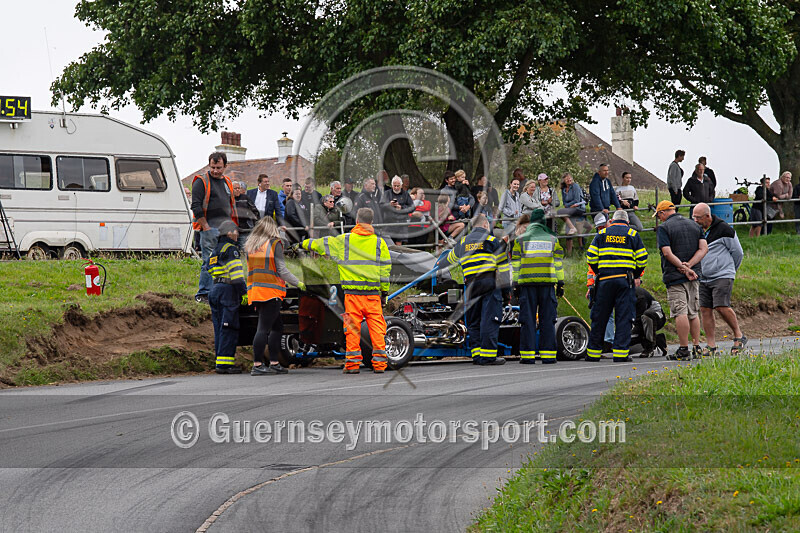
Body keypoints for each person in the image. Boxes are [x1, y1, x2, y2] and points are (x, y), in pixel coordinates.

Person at [301, 207, 391, 374]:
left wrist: (302, 244)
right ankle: (379, 365)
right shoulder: (379, 243)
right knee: (377, 330)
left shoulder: (344, 240)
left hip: (352, 296)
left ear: (357, 221)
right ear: (371, 222)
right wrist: (384, 292)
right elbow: (385, 271)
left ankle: (352, 365)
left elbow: (320, 244)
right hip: (372, 295)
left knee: (352, 330)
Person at [445, 214, 511, 365]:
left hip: (471, 286)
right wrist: (507, 292)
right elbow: (504, 269)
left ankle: (477, 355)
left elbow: (449, 260)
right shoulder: (492, 241)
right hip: (489, 283)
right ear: (485, 225)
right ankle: (488, 357)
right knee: (489, 319)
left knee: (473, 320)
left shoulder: (462, 242)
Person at [585, 209, 648, 362]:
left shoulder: (601, 234)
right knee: (623, 317)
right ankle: (620, 354)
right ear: (628, 222)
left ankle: (593, 354)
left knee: (600, 317)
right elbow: (642, 258)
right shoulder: (632, 234)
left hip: (604, 281)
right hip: (624, 282)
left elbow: (591, 257)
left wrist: (599, 271)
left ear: (612, 221)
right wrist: (636, 274)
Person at [245, 217, 305, 375]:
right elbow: (282, 270)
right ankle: (258, 365)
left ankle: (274, 362)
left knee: (277, 327)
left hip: (256, 291)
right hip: (271, 292)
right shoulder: (274, 244)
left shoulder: (251, 246)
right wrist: (298, 283)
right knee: (263, 329)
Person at [653, 200, 708, 360]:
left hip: (675, 277)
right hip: (694, 275)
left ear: (663, 213)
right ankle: (696, 346)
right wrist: (690, 266)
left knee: (680, 312)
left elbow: (667, 253)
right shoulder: (694, 225)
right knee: (693, 312)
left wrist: (683, 267)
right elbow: (704, 248)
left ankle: (683, 349)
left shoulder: (664, 228)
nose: (659, 219)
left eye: (659, 216)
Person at [691, 203, 746, 355]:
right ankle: (711, 345)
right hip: (703, 276)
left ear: (707, 216)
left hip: (723, 275)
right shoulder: (697, 230)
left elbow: (738, 253)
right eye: (694, 217)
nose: (695, 220)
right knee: (705, 309)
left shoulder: (724, 229)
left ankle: (739, 335)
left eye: (698, 218)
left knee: (721, 306)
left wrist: (729, 270)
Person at [511, 209, 564, 364]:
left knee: (527, 320)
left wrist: (515, 285)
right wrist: (560, 283)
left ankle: (527, 356)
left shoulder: (520, 240)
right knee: (547, 319)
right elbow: (558, 264)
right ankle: (548, 356)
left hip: (527, 285)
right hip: (547, 285)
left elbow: (515, 265)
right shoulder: (553, 239)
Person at [191, 151, 239, 303]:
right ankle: (204, 293)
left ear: (225, 166)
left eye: (218, 168)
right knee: (209, 261)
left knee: (224, 261)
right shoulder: (201, 181)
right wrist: (205, 227)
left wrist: (233, 228)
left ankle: (219, 292)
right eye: (213, 167)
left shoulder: (227, 182)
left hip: (226, 228)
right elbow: (196, 206)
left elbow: (231, 206)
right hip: (209, 227)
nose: (215, 171)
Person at [208, 220, 248, 373]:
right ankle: (225, 365)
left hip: (215, 289)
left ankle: (220, 361)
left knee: (219, 328)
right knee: (228, 327)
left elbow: (208, 268)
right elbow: (237, 275)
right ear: (229, 233)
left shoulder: (215, 250)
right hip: (228, 291)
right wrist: (244, 293)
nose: (237, 235)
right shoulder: (231, 249)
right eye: (236, 231)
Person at [585, 213, 616, 351]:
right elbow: (591, 266)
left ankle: (609, 341)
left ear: (610, 222)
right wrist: (590, 286)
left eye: (603, 227)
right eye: (599, 228)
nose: (601, 230)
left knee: (616, 312)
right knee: (602, 313)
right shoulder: (597, 239)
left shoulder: (618, 236)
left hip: (616, 278)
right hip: (601, 281)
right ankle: (606, 341)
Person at [381, 175, 415, 245]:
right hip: (388, 223)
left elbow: (412, 207)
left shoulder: (406, 194)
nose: (396, 188)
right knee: (388, 244)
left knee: (399, 245)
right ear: (392, 185)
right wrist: (389, 204)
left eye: (398, 186)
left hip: (401, 224)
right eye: (394, 186)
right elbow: (381, 206)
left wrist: (401, 208)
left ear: (401, 185)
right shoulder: (386, 193)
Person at [232, 180, 260, 249]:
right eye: (235, 188)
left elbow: (255, 211)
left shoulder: (245, 198)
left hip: (245, 229)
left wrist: (256, 224)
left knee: (245, 249)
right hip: (231, 231)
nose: (238, 190)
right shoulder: (228, 199)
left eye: (239, 188)